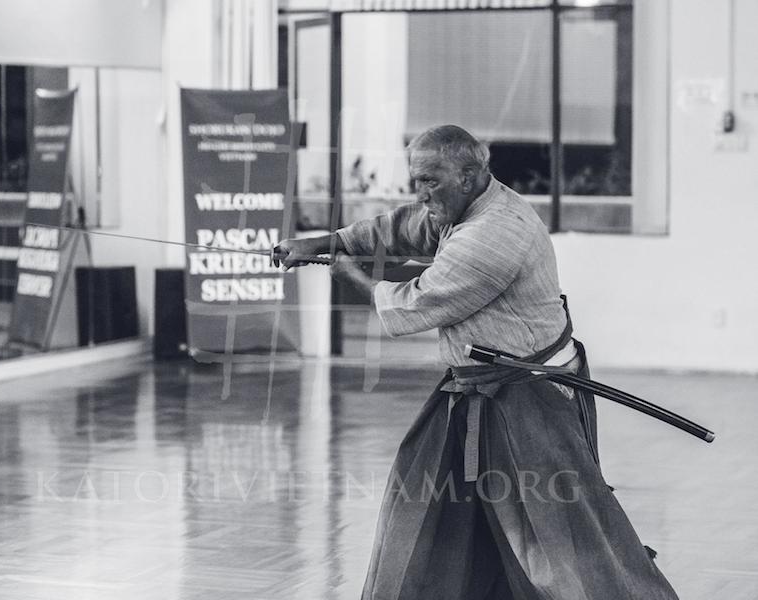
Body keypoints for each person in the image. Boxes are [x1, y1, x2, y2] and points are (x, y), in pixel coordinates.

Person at [275, 125, 679, 600]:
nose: (420, 192)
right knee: (423, 502)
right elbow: (398, 228)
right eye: (416, 180)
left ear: (468, 176)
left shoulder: (495, 234)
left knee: (556, 533)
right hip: (476, 388)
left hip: (527, 397)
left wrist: (346, 273)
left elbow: (415, 305)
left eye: (430, 181)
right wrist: (323, 242)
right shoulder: (460, 206)